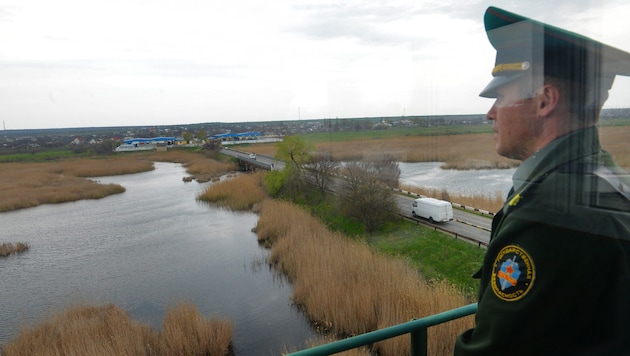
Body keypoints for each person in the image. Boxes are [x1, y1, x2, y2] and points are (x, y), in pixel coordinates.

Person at [454, 7, 630, 355]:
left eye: (501, 97)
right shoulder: (610, 182)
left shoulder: (552, 209)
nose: (490, 113)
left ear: (545, 101)